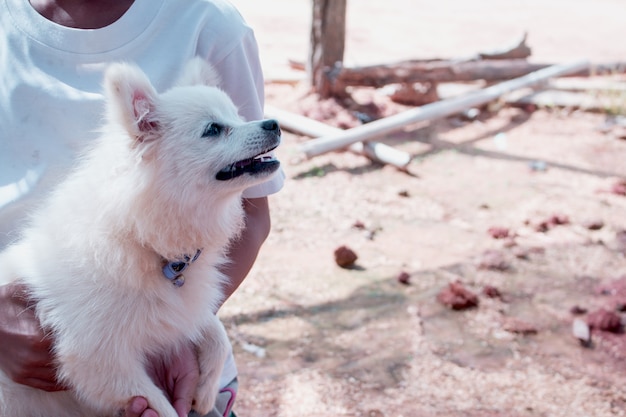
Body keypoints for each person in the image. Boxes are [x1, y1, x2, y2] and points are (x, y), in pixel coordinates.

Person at [0, 0, 284, 416]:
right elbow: (92, 349)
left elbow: (253, 214)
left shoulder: (210, 25)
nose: (256, 131)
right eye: (214, 131)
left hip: (175, 385)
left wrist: (178, 333)